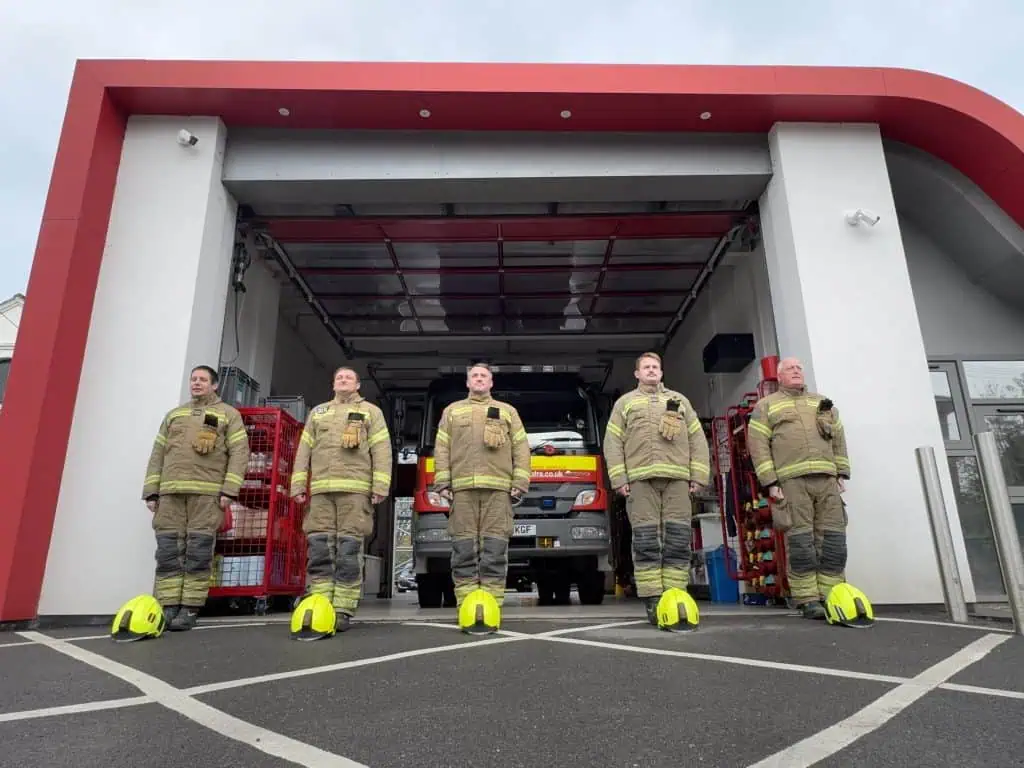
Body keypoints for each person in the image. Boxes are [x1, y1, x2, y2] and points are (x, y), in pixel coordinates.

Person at [603, 352, 710, 624]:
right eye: (646, 367)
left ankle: (675, 593)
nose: (651, 371)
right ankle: (652, 599)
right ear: (636, 374)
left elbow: (698, 441)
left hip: (677, 480)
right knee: (646, 541)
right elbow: (612, 444)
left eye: (655, 367)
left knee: (676, 539)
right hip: (639, 481)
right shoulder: (625, 404)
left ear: (661, 373)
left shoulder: (679, 402)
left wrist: (698, 476)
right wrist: (620, 480)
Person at [142, 364, 250, 631]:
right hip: (170, 493)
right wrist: (152, 491)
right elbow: (158, 454)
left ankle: (190, 607)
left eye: (203, 380)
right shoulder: (174, 415)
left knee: (198, 550)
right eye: (194, 379)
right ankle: (168, 606)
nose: (197, 383)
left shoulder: (228, 415)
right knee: (168, 549)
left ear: (215, 385)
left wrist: (229, 490)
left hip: (207, 492)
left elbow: (239, 454)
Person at [746, 356, 851, 620]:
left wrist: (841, 473)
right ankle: (807, 598)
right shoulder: (766, 406)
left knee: (833, 539)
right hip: (791, 481)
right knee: (801, 541)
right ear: (779, 377)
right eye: (790, 369)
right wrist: (770, 482)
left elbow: (838, 439)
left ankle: (833, 593)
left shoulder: (821, 403)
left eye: (799, 368)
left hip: (826, 479)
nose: (796, 372)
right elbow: (758, 446)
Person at [290, 367, 392, 632]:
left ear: (358, 384)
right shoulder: (318, 413)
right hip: (322, 491)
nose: (343, 380)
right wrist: (298, 484)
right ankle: (320, 601)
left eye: (348, 377)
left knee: (348, 549)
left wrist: (380, 485)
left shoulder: (372, 412)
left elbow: (382, 451)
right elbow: (303, 451)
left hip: (355, 491)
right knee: (320, 548)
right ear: (333, 384)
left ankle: (344, 608)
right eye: (339, 377)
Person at [431, 363, 531, 608]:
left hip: (498, 491)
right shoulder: (452, 412)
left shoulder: (507, 412)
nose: (478, 379)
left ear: (491, 383)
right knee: (463, 547)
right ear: (467, 383)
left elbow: (521, 448)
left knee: (495, 547)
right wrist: (442, 482)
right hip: (462, 492)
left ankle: (492, 603)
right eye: (474, 376)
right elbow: (441, 449)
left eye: (483, 376)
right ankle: (466, 603)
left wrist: (520, 481)